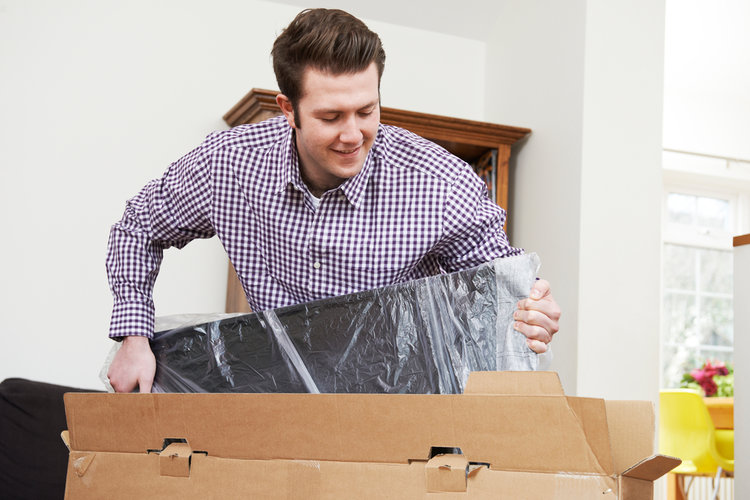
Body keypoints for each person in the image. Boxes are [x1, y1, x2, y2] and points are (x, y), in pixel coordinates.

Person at [106, 8, 561, 393]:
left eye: (367, 111)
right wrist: (134, 337)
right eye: (330, 116)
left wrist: (533, 311)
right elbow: (138, 227)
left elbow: (502, 288)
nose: (352, 135)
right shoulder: (230, 166)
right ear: (289, 109)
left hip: (401, 405)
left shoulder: (437, 181)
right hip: (274, 395)